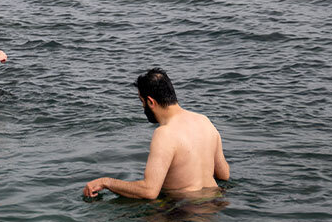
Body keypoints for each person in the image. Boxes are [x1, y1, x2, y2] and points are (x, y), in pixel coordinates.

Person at [83, 68, 230, 200]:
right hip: (215, 204)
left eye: (142, 101)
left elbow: (149, 191)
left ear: (151, 102)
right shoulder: (204, 121)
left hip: (184, 212)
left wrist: (106, 182)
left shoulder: (165, 134)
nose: (142, 106)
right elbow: (224, 175)